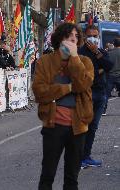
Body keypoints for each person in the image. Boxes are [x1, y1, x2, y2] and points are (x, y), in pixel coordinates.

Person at [32, 23, 94, 190]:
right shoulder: (45, 61)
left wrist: (74, 58)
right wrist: (67, 88)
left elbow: (83, 84)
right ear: (59, 39)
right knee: (47, 175)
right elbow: (40, 91)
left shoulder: (85, 62)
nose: (73, 39)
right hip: (53, 125)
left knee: (72, 178)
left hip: (78, 126)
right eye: (68, 36)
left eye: (76, 36)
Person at [78, 25, 114, 167]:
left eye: (96, 35)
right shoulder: (81, 53)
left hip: (101, 93)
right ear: (85, 37)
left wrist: (98, 56)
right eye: (90, 35)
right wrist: (99, 69)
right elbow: (86, 73)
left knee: (93, 127)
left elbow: (109, 66)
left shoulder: (101, 51)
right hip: (87, 93)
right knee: (83, 126)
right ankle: (78, 157)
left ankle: (86, 156)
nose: (94, 38)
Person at [103, 38, 120, 114]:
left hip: (110, 76)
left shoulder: (109, 53)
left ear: (114, 44)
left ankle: (103, 110)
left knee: (106, 94)